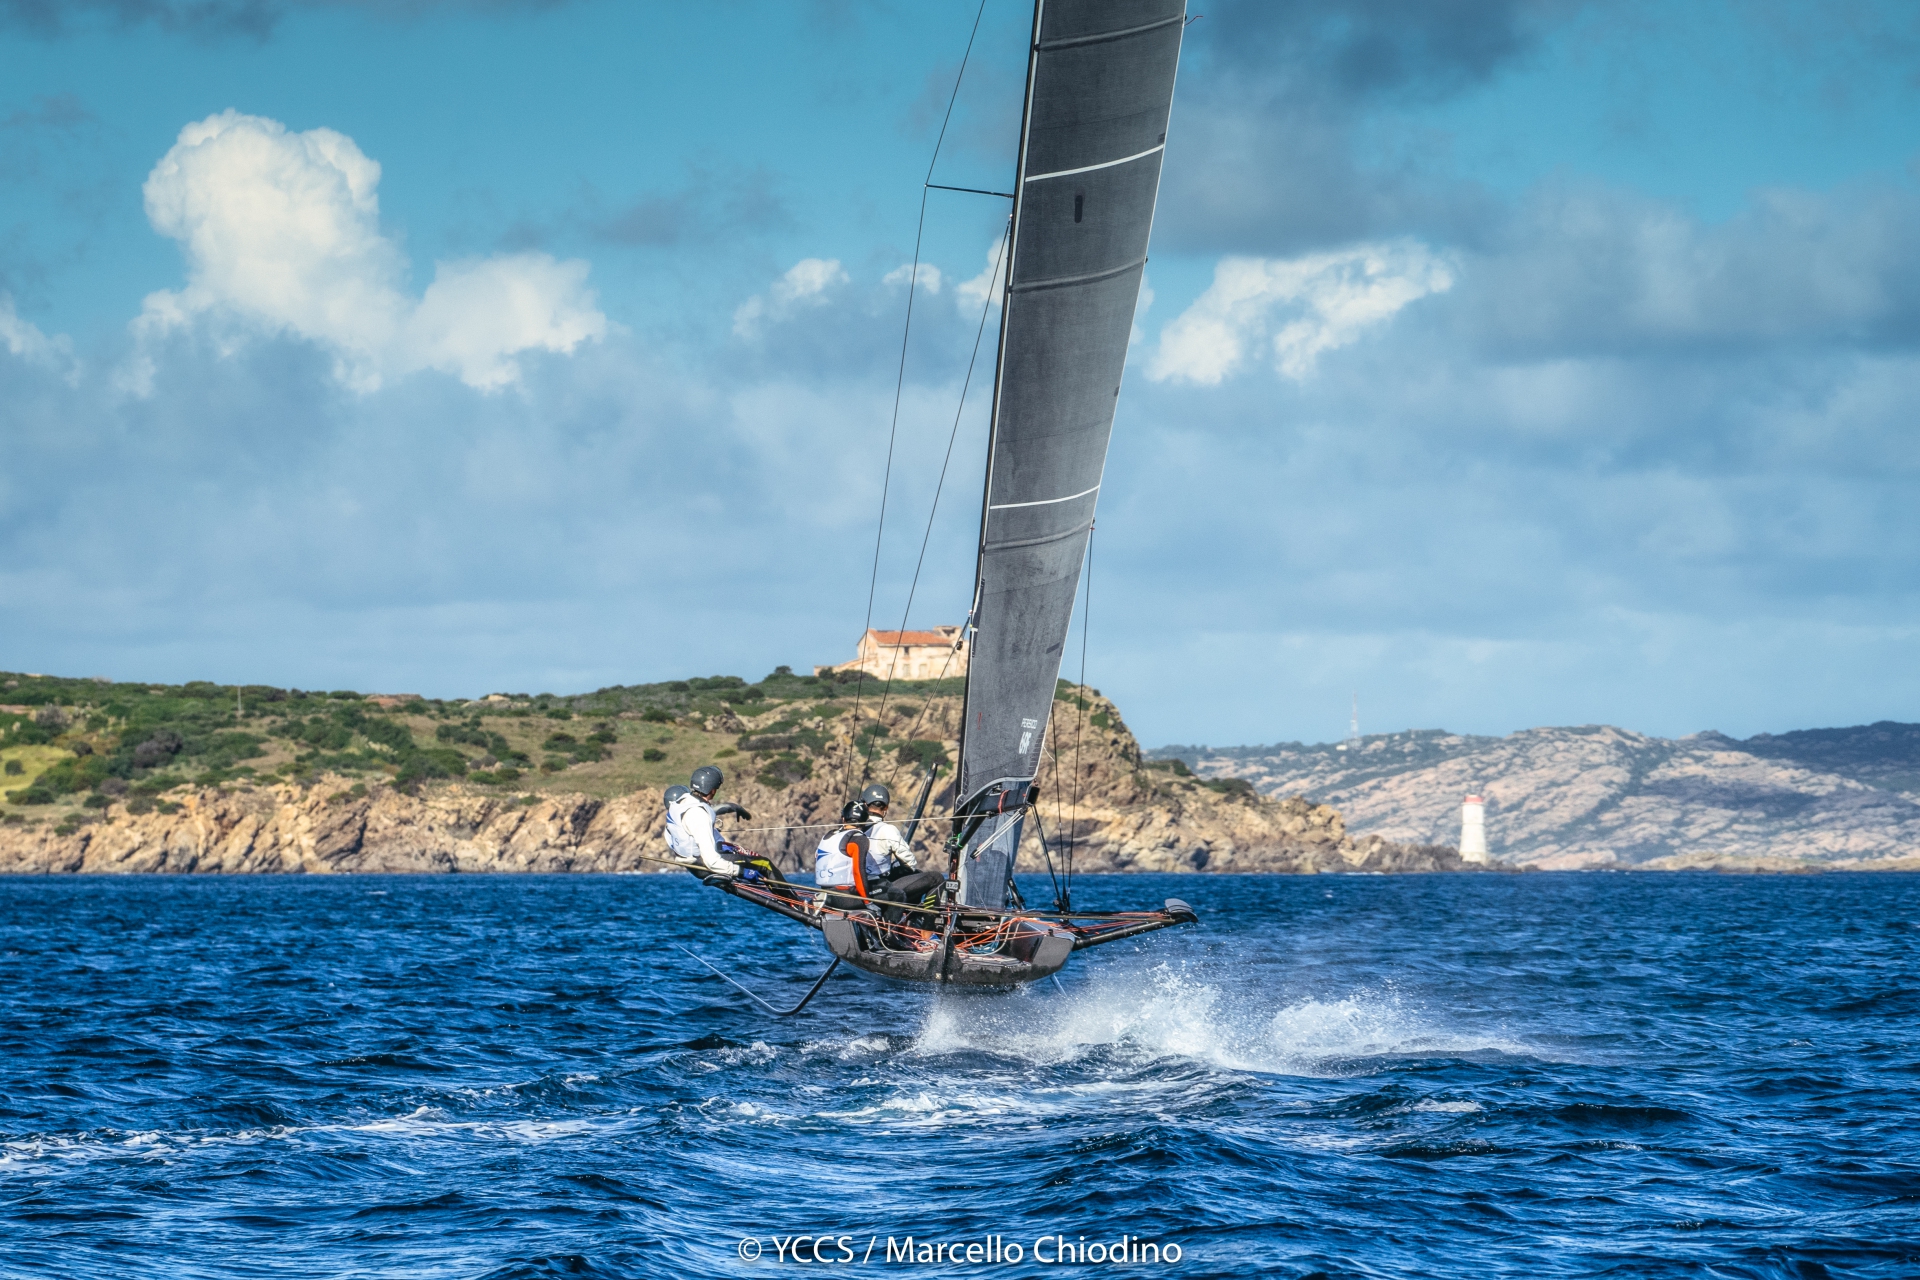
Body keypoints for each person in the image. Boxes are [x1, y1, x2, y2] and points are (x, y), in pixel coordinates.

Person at [667, 766, 785, 884]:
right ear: (712, 789)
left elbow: (711, 810)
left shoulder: (680, 805)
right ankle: (795, 902)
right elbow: (712, 861)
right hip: (705, 866)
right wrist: (741, 872)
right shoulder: (700, 815)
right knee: (765, 864)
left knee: (737, 853)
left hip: (693, 865)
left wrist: (735, 807)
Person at [859, 782, 942, 919]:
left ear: (864, 805)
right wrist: (896, 868)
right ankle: (925, 925)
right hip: (876, 888)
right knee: (935, 878)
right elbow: (910, 863)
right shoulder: (887, 829)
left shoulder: (849, 829)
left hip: (854, 887)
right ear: (885, 808)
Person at [813, 800, 873, 912]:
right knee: (895, 894)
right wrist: (867, 902)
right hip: (845, 898)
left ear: (843, 819)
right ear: (864, 822)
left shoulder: (829, 835)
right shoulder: (859, 839)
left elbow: (817, 857)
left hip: (825, 892)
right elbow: (858, 872)